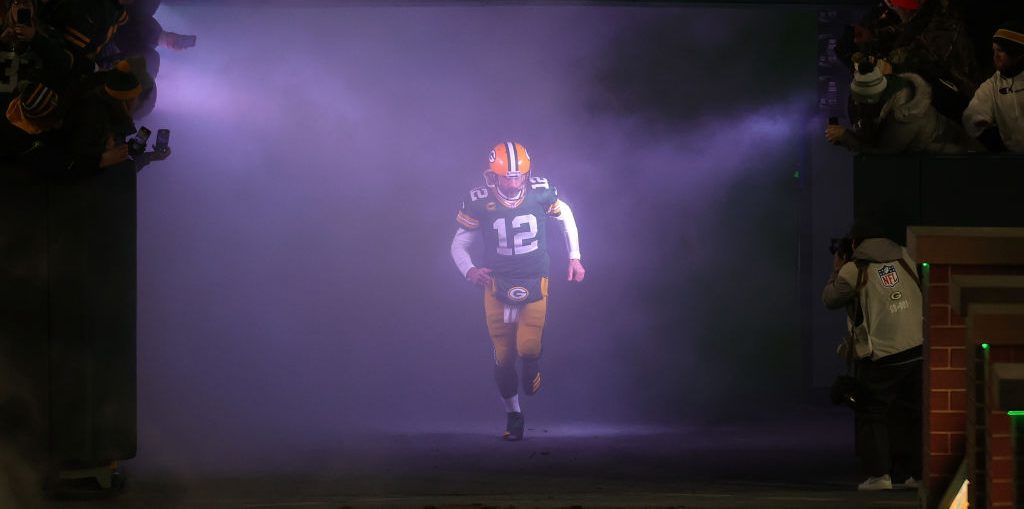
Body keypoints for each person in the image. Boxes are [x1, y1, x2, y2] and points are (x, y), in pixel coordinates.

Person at [450, 141, 585, 441]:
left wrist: (574, 256)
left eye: (517, 176)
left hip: (536, 277)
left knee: (527, 347)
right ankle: (514, 415)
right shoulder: (480, 201)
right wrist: (470, 269)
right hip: (496, 282)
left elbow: (566, 216)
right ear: (492, 176)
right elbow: (459, 244)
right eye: (506, 176)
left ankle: (532, 363)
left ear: (526, 174)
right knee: (503, 356)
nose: (512, 182)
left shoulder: (541, 192)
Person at [822, 218, 923, 491]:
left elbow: (830, 298)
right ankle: (918, 475)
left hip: (882, 354)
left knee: (872, 412)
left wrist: (837, 269)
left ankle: (880, 476)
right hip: (916, 347)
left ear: (855, 244)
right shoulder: (905, 256)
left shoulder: (854, 269)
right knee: (914, 413)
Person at [825, 58, 975, 153]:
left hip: (960, 155)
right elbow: (873, 138)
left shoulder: (904, 112)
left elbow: (885, 157)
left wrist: (846, 136)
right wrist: (846, 137)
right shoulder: (891, 96)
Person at [962, 22, 1024, 152]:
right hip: (1013, 159)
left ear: (1017, 53)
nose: (995, 56)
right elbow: (975, 111)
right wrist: (977, 119)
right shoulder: (992, 85)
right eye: (994, 50)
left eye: (1000, 51)